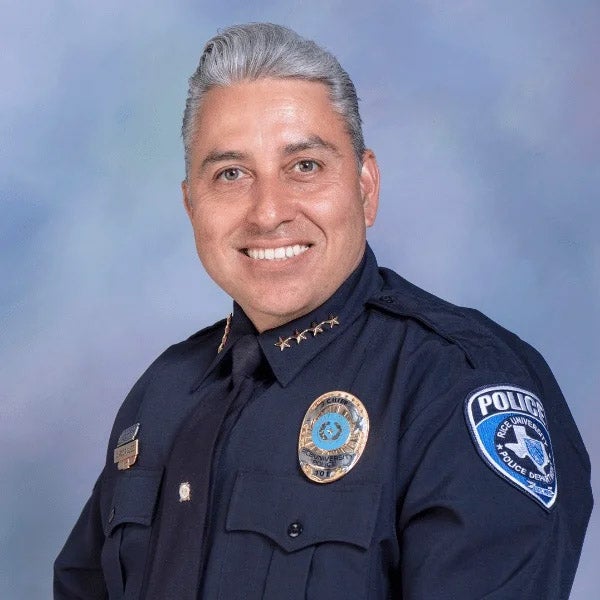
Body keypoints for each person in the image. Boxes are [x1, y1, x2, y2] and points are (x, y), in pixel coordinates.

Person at [54, 23, 592, 600]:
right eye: (231, 174)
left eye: (304, 166)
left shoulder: (456, 386)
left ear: (365, 187)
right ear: (192, 206)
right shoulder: (162, 393)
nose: (268, 213)